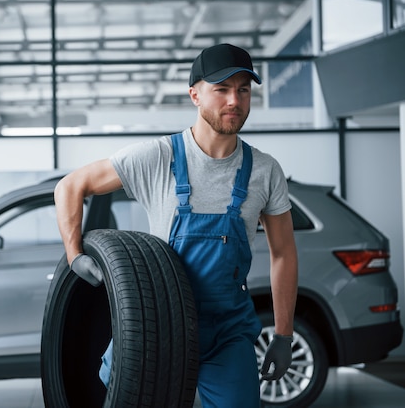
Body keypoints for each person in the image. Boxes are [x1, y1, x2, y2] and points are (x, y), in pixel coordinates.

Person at [54, 43, 298, 407]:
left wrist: (282, 335)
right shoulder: (157, 157)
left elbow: (284, 254)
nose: (234, 100)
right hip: (159, 325)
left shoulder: (265, 171)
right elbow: (70, 186)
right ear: (195, 95)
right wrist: (74, 255)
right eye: (222, 89)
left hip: (228, 330)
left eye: (243, 89)